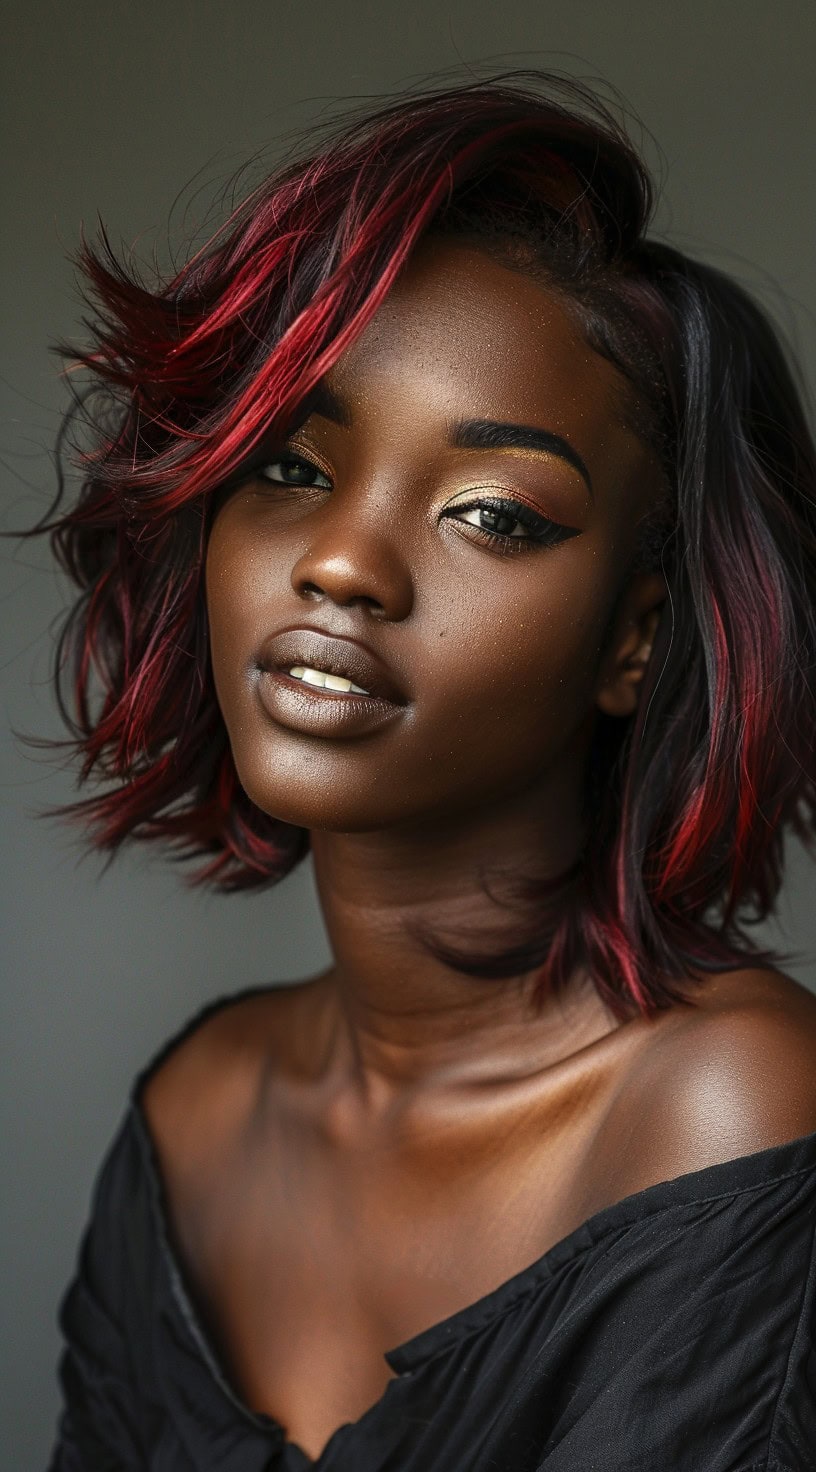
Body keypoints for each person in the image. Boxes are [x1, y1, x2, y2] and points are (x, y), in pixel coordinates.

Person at [32, 71, 816, 1470]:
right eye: (288, 464)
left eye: (494, 515)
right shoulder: (196, 1111)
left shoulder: (729, 1105)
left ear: (635, 642)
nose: (340, 562)